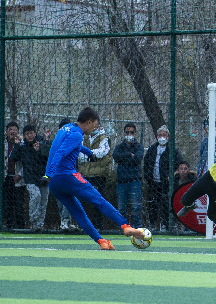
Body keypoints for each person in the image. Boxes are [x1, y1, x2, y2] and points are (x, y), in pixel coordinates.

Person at [44, 107, 146, 250]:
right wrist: (47, 174)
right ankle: (125, 226)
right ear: (89, 122)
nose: (94, 129)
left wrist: (89, 152)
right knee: (99, 201)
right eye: (95, 125)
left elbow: (67, 147)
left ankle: (102, 242)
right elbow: (60, 153)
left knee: (78, 213)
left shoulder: (67, 128)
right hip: (67, 176)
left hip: (55, 184)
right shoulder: (77, 135)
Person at [143, 125, 184, 233]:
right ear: (156, 136)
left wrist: (171, 178)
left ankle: (166, 225)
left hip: (167, 183)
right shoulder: (152, 149)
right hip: (154, 182)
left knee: (167, 204)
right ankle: (153, 225)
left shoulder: (174, 150)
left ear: (168, 136)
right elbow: (146, 163)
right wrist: (148, 177)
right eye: (160, 135)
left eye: (164, 135)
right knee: (153, 204)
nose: (162, 137)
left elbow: (178, 165)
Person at [0, 122, 26, 229]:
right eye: (10, 129)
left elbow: (27, 162)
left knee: (19, 203)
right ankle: (9, 225)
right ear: (6, 132)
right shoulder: (1, 143)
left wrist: (20, 174)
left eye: (15, 129)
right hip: (5, 177)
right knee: (7, 203)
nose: (12, 131)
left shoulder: (22, 144)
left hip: (18, 178)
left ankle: (21, 226)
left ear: (18, 132)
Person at [9, 124, 50, 231]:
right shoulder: (22, 147)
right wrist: (16, 145)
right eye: (27, 134)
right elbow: (13, 158)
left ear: (35, 133)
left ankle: (40, 225)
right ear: (24, 135)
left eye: (31, 133)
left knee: (43, 201)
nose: (29, 136)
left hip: (43, 177)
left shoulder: (41, 143)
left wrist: (40, 150)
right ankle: (33, 221)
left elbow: (48, 158)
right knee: (36, 196)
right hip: (30, 178)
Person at [78, 118, 113, 230]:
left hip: (98, 175)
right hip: (85, 174)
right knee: (82, 202)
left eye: (97, 125)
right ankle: (83, 225)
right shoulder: (83, 138)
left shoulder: (104, 139)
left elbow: (101, 153)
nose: (94, 127)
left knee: (97, 202)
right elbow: (79, 155)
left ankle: (98, 226)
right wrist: (92, 154)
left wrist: (88, 154)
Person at [112, 122, 144, 228]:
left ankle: (137, 227)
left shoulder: (139, 146)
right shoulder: (119, 147)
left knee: (136, 206)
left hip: (134, 180)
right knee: (121, 207)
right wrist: (129, 155)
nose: (129, 134)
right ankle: (123, 227)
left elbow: (137, 158)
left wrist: (124, 159)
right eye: (127, 132)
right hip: (121, 181)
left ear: (135, 134)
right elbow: (116, 157)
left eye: (131, 132)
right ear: (124, 134)